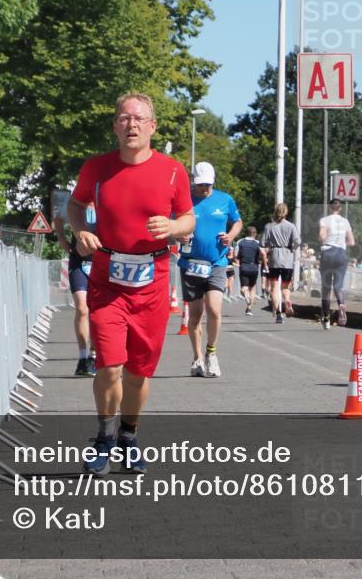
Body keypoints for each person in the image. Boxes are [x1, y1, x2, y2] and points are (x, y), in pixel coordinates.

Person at [68, 93, 194, 475]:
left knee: (139, 371)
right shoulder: (97, 168)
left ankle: (128, 435)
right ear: (115, 126)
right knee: (109, 365)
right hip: (107, 280)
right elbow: (75, 204)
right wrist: (80, 231)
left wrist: (173, 227)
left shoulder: (172, 171)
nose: (132, 125)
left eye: (139, 119)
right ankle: (104, 438)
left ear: (152, 126)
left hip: (152, 282)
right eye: (124, 118)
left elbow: (188, 218)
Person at [177, 161, 242, 378]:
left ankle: (211, 352)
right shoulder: (183, 200)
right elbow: (171, 226)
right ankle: (197, 358)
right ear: (192, 181)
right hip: (191, 264)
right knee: (195, 315)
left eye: (207, 184)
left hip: (217, 263)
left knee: (214, 309)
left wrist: (231, 236)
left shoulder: (225, 200)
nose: (203, 189)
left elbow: (238, 223)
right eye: (199, 184)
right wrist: (178, 235)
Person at [54, 200, 98, 377]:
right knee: (82, 308)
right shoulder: (76, 201)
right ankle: (83, 357)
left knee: (97, 311)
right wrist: (62, 239)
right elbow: (58, 219)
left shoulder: (107, 196)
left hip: (101, 262)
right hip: (79, 261)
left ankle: (94, 355)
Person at [261, 202, 300, 324]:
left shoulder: (269, 226)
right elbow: (298, 241)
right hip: (287, 257)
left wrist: (267, 249)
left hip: (274, 257)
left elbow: (262, 243)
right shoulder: (291, 226)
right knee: (285, 286)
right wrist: (292, 248)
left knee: (274, 287)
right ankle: (287, 300)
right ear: (286, 212)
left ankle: (278, 312)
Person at [318, 199, 354, 330]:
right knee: (338, 286)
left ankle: (326, 320)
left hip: (328, 253)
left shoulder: (325, 220)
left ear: (329, 208)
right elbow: (351, 242)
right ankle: (341, 305)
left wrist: (324, 238)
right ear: (340, 208)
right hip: (341, 254)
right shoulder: (345, 222)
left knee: (326, 288)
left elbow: (322, 236)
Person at [234, 225, 263, 316]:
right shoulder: (258, 243)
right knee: (253, 288)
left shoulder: (240, 242)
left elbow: (235, 255)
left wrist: (239, 260)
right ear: (255, 234)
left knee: (244, 288)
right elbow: (262, 254)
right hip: (254, 267)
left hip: (243, 266)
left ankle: (245, 295)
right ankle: (249, 309)